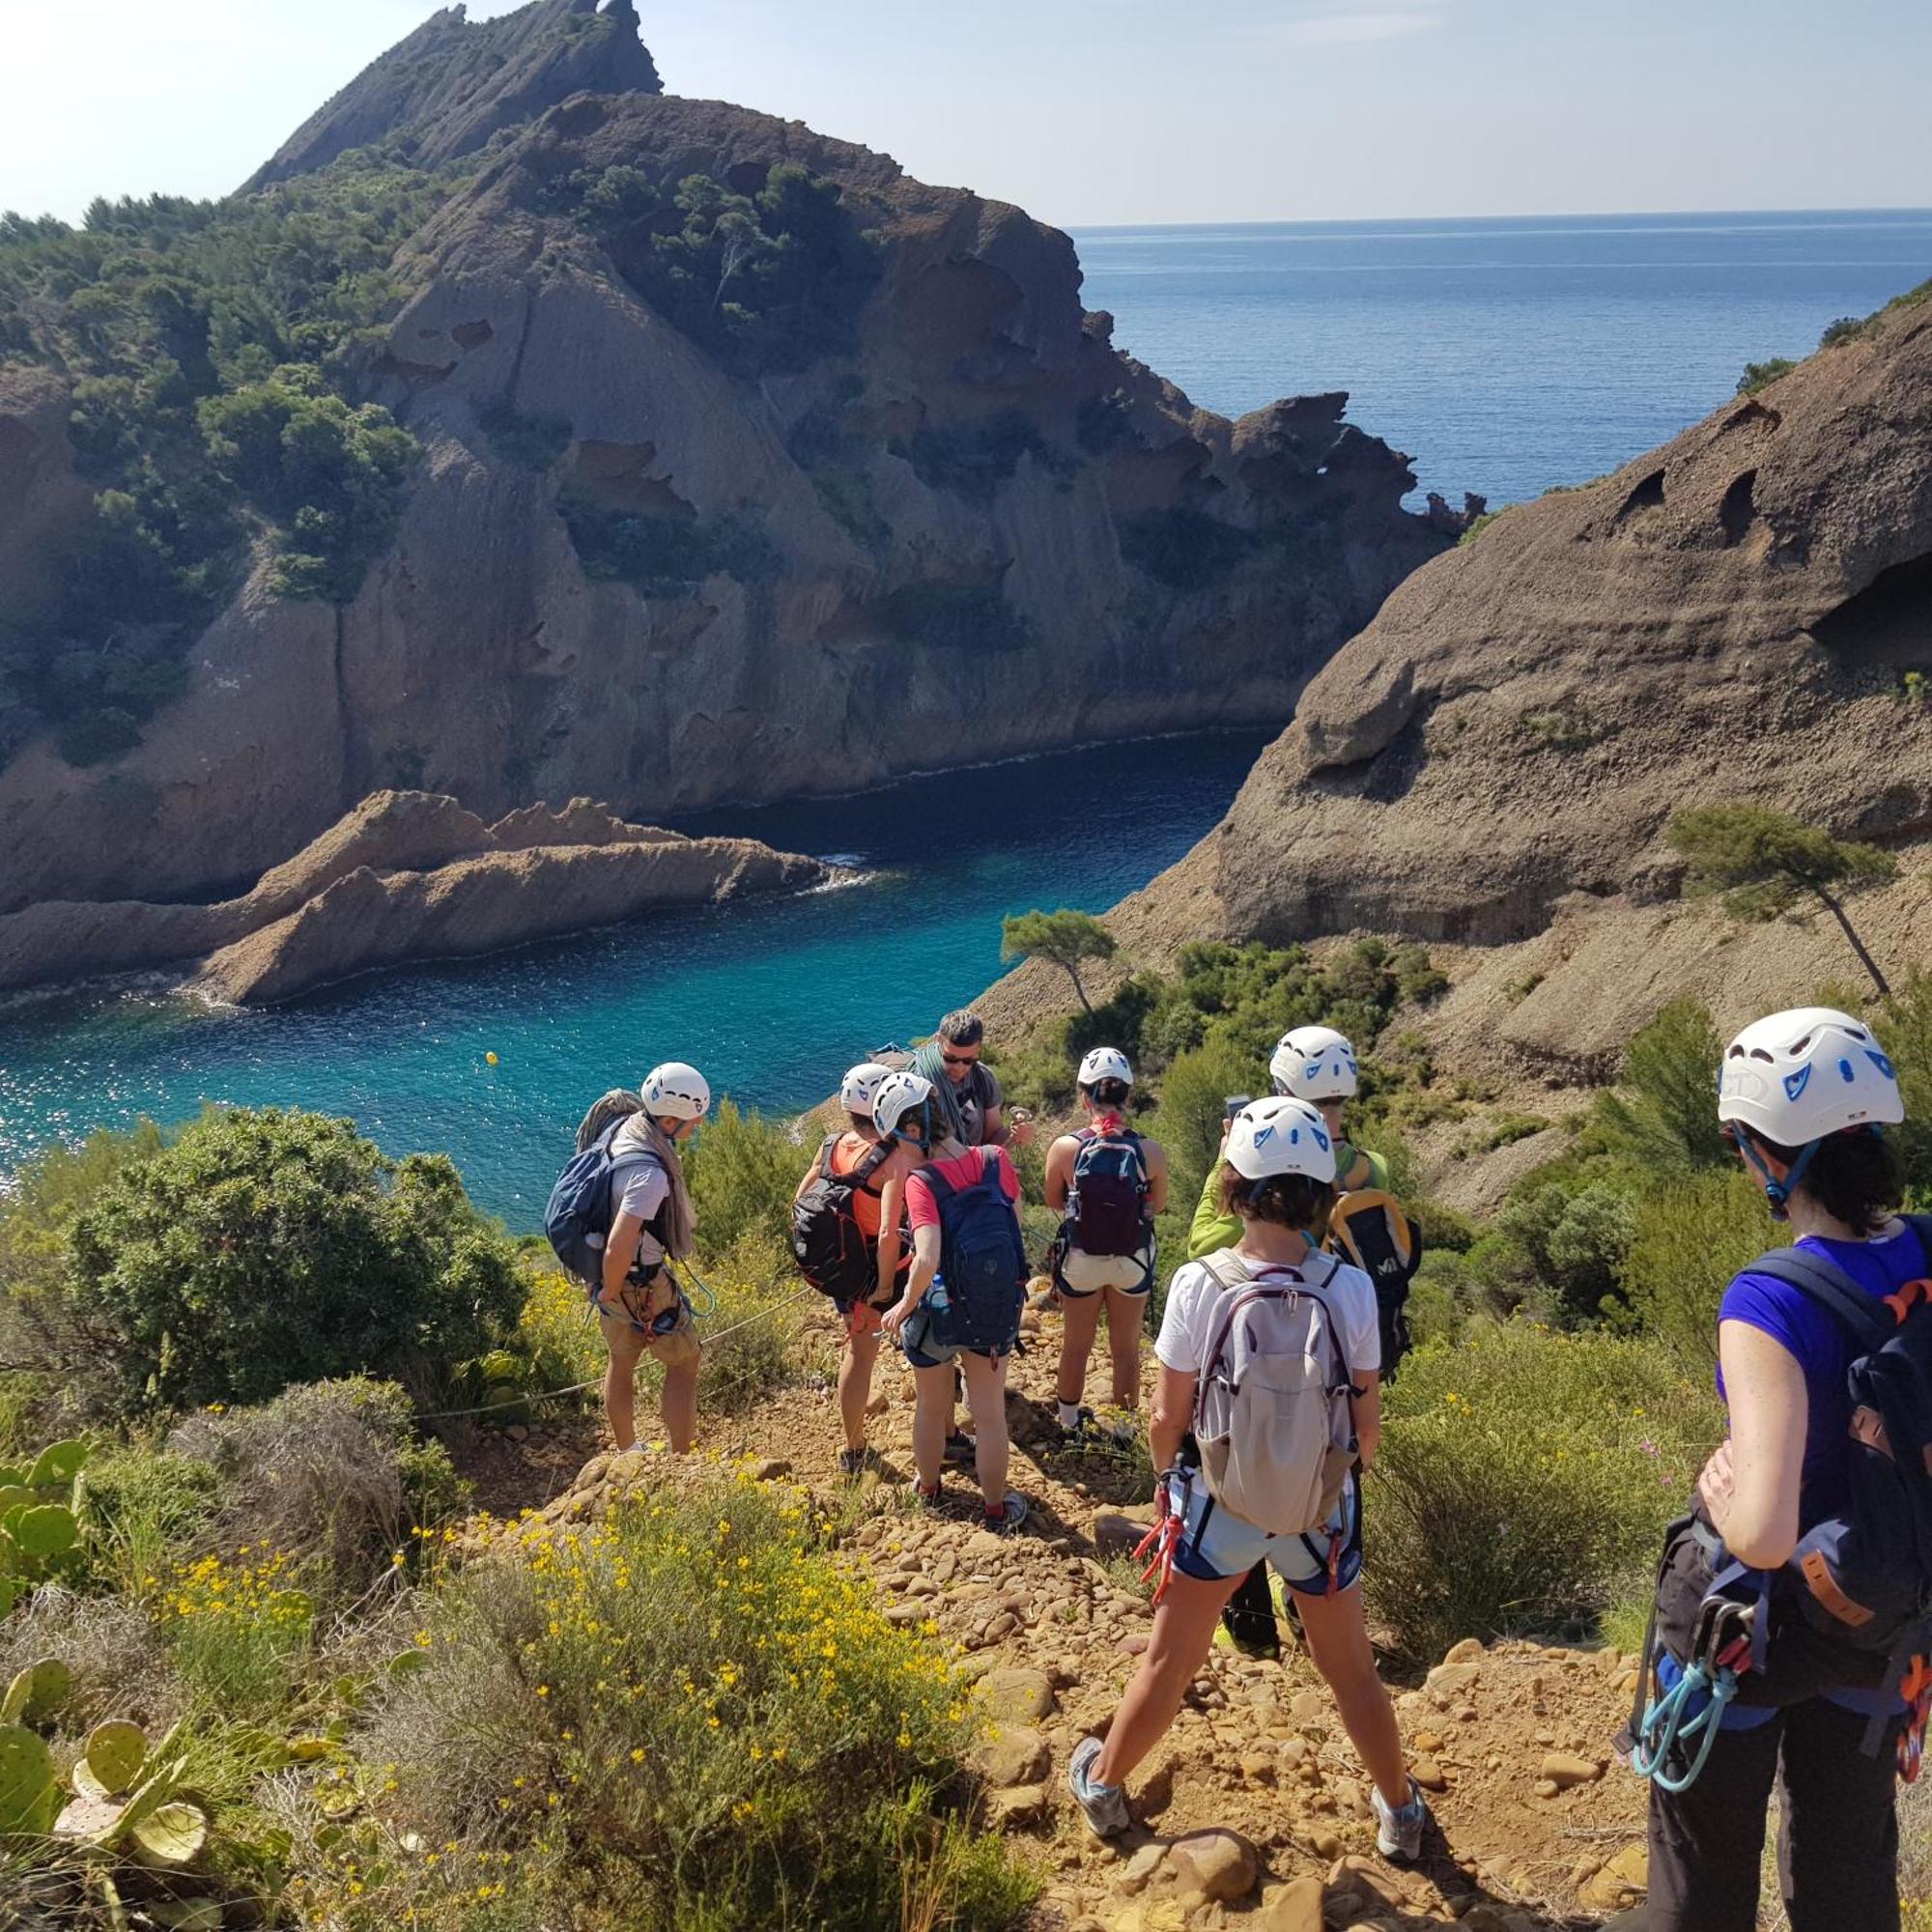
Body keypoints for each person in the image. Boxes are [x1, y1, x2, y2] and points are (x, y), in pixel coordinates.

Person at [1066, 1096, 1429, 1859]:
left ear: (1235, 1184)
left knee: (1172, 1659)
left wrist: (1169, 1483)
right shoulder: (1351, 1289)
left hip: (1220, 1504)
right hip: (1318, 1511)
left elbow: (1168, 1418)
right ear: (1320, 1192)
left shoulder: (1204, 1283)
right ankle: (1399, 1810)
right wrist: (1321, 1479)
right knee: (1353, 1672)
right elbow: (1367, 1430)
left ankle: (1103, 1785)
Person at [1630, 1008, 1925, 1932]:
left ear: (1767, 1155)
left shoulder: (1767, 1299)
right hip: (1879, 1613)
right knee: (1848, 1873)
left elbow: (1759, 1528)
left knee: (1704, 1879)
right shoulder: (1925, 1245)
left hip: (1749, 1631)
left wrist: (1725, 1494)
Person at [1190, 1024, 1395, 1657]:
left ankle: (1252, 1634)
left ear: (1280, 1086)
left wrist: (1236, 1178)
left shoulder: (1246, 1157)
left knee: (1236, 1471)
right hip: (1339, 1361)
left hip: (1249, 1360)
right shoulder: (1370, 1167)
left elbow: (1201, 1249)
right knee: (1327, 1479)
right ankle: (1316, 1620)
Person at [880, 1072, 1032, 1533]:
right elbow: (1015, 1228)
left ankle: (928, 1490)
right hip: (991, 1310)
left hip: (937, 1313)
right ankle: (994, 1509)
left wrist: (903, 1304)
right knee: (988, 1416)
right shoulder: (996, 1159)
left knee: (930, 1406)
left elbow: (926, 1257)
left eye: (895, 1141)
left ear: (910, 1132)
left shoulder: (921, 1181)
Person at [793, 1061, 918, 1478]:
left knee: (858, 1355)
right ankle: (947, 1429)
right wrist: (883, 1288)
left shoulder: (831, 1145)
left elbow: (799, 1202)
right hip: (881, 1271)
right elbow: (887, 1232)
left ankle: (854, 1446)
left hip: (843, 1269)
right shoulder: (891, 1158)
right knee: (922, 1344)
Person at [1043, 1046, 1169, 1442]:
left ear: (1084, 1096)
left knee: (1076, 1344)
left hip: (1081, 1258)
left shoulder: (1066, 1148)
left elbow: (1052, 1200)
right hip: (1131, 1257)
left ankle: (1067, 1423)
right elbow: (1158, 1205)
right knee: (1126, 1347)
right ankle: (1124, 1430)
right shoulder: (1149, 1151)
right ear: (1127, 1096)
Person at [593, 1061, 709, 1456]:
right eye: (693, 1119)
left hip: (609, 1278)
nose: (697, 1126)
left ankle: (629, 1451)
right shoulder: (650, 1174)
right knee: (684, 1362)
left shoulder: (624, 1130)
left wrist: (605, 1290)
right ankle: (681, 1459)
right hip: (639, 1282)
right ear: (672, 1121)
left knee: (620, 1362)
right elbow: (620, 1243)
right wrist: (610, 1290)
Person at [918, 1009, 1035, 1151]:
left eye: (968, 1060)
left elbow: (992, 1138)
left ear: (978, 1049)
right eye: (950, 1059)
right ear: (939, 1041)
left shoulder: (983, 1078)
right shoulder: (919, 1082)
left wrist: (1015, 1133)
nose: (959, 1067)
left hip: (972, 1166)